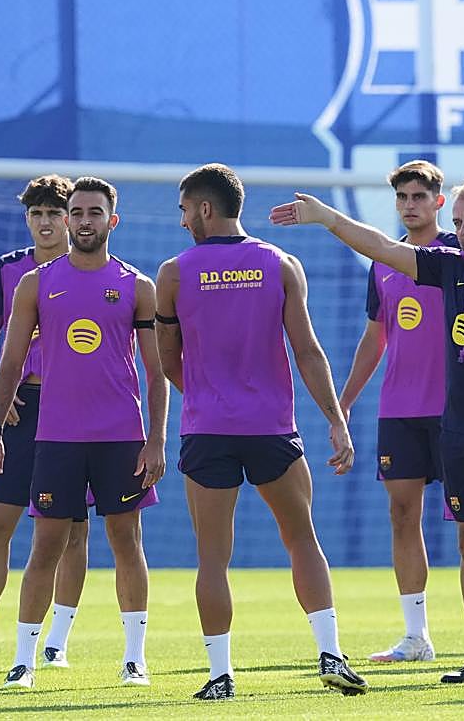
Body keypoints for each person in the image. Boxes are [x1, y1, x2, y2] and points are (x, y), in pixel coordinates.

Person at [271, 178, 464, 685]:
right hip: (457, 427)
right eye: (458, 223)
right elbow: (382, 247)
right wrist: (328, 218)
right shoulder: (451, 269)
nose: (462, 231)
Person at [156, 163, 367, 700]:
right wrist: (337, 422)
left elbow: (168, 362)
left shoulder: (175, 273)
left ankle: (220, 676)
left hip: (208, 430)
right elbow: (308, 351)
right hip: (272, 427)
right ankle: (330, 653)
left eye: (185, 210)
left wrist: (208, 395)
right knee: (302, 540)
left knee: (212, 556)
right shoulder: (280, 263)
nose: (183, 221)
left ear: (205, 208)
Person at [0, 177, 168, 690]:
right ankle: (24, 660)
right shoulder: (35, 283)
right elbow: (10, 360)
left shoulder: (136, 285)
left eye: (94, 213)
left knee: (126, 542)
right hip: (55, 438)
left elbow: (155, 372)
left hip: (121, 437)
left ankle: (134, 659)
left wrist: (157, 439)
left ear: (112, 221)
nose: (84, 221)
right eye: (76, 212)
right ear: (66, 220)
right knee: (46, 545)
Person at [337, 160, 457, 664]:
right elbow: (375, 338)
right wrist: (341, 403)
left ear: (438, 201)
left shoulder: (458, 253)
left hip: (458, 410)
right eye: (403, 198)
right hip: (400, 410)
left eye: (418, 197)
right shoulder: (382, 263)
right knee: (403, 514)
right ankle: (416, 636)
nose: (410, 205)